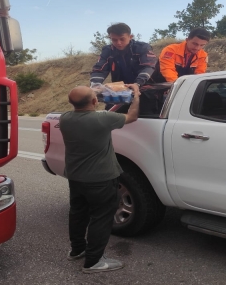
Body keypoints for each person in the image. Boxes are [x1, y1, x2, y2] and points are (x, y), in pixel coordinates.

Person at [58, 84, 140, 273]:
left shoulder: (66, 118)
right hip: (100, 179)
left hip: (75, 177)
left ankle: (77, 250)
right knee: (101, 218)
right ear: (95, 101)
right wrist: (136, 95)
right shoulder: (102, 119)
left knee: (78, 214)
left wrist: (97, 90)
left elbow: (90, 105)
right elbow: (132, 116)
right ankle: (94, 261)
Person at [90, 23, 157, 88]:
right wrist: (95, 85)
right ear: (110, 38)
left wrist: (137, 84)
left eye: (122, 39)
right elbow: (99, 70)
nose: (118, 43)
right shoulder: (107, 51)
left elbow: (148, 67)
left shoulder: (143, 47)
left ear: (130, 37)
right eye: (114, 40)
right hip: (121, 89)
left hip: (147, 87)